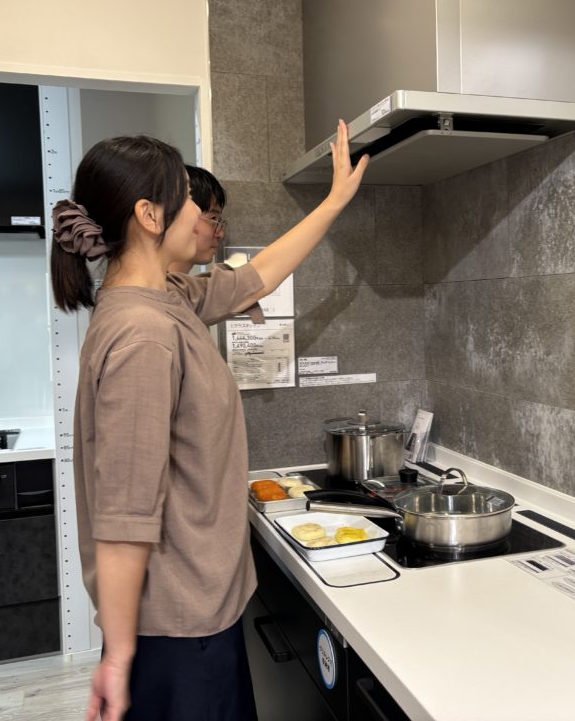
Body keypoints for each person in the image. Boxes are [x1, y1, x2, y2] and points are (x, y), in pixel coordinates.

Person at [49, 121, 368, 721]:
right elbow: (124, 516)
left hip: (194, 613)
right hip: (176, 630)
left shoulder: (166, 298)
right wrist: (118, 657)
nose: (201, 212)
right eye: (188, 198)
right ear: (150, 215)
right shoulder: (144, 335)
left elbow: (257, 276)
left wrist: (334, 201)